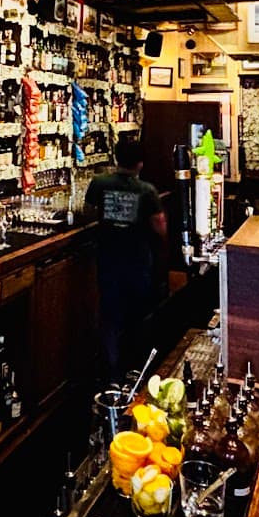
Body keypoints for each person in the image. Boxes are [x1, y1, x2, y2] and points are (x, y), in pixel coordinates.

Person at [82, 139, 166, 383]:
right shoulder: (147, 191)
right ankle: (137, 370)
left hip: (109, 259)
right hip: (138, 261)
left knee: (110, 315)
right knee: (138, 315)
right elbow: (159, 225)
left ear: (116, 158)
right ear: (140, 163)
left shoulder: (99, 183)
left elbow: (87, 213)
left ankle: (111, 370)